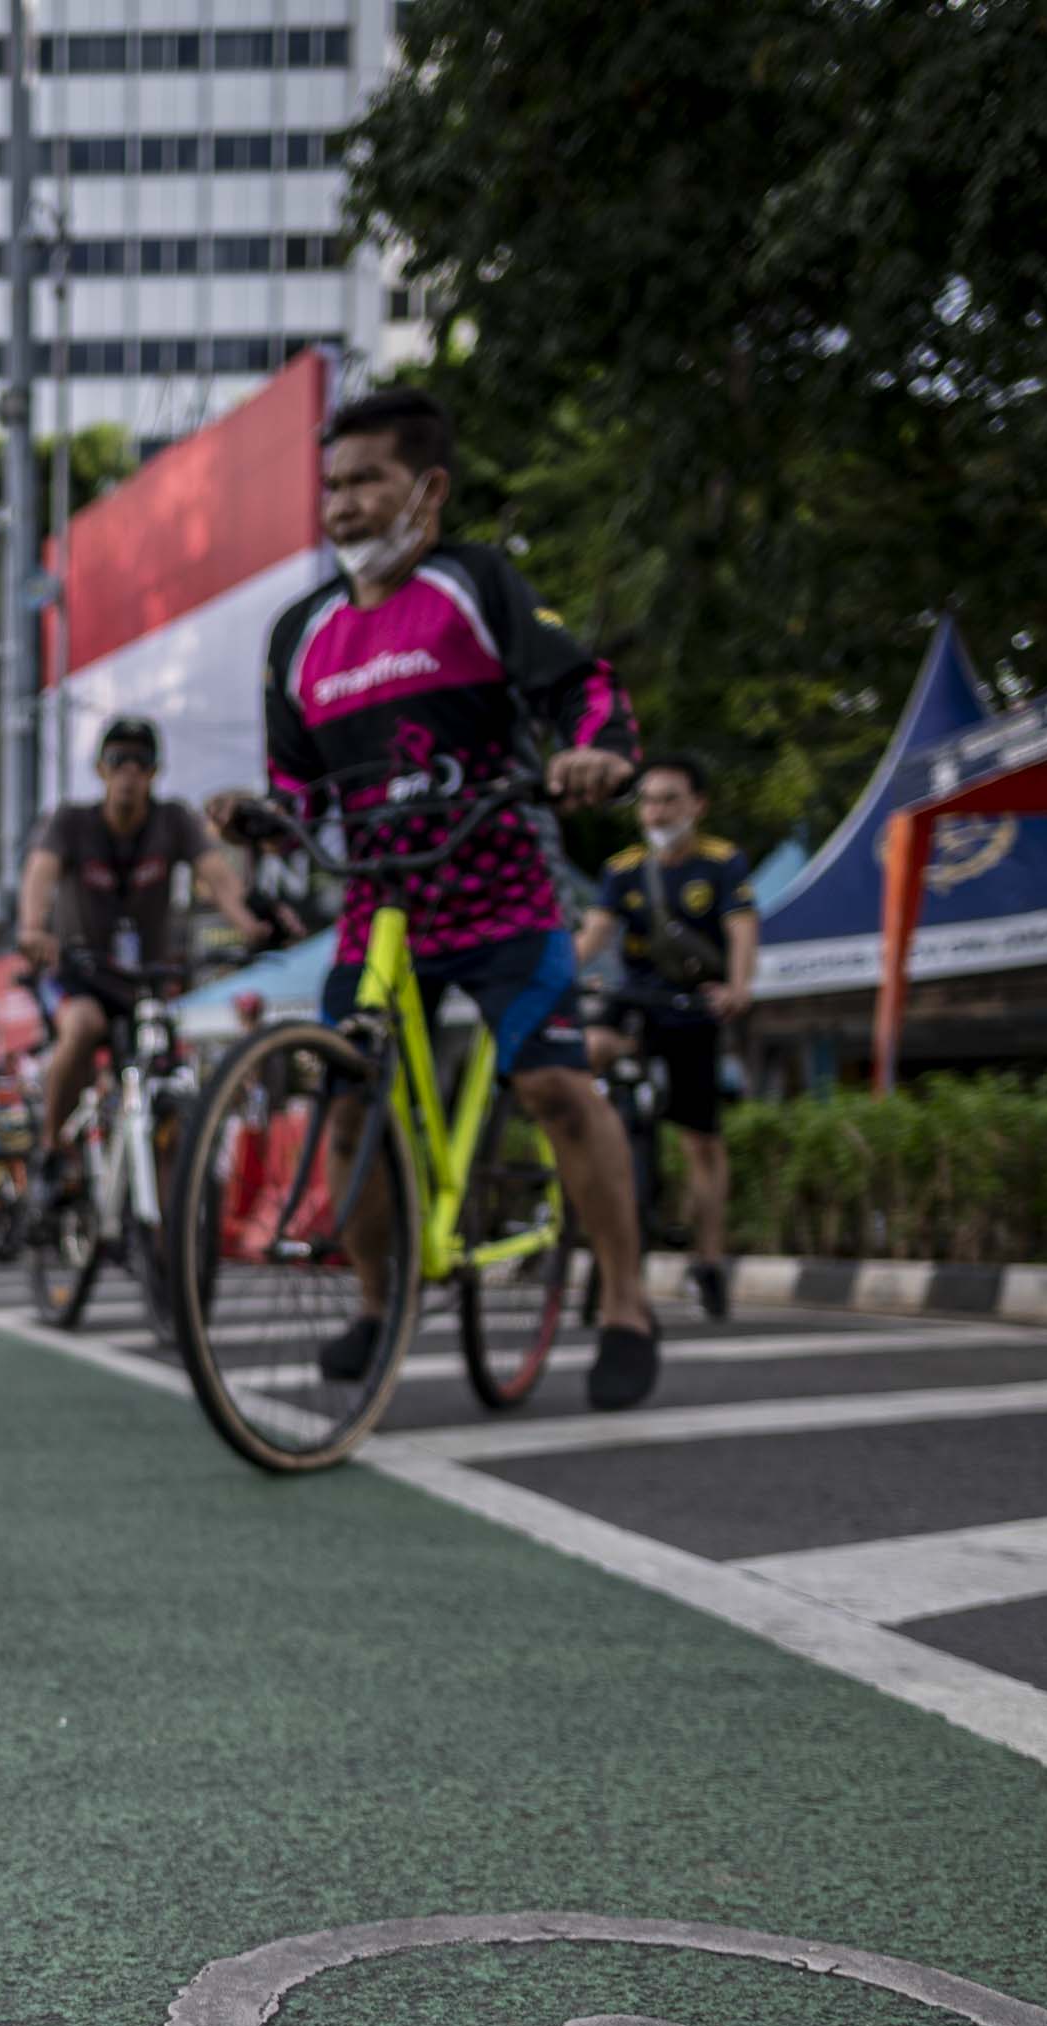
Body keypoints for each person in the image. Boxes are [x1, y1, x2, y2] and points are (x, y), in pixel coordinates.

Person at [217, 385, 660, 1410]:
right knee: (344, 1099)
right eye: (331, 487)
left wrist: (598, 753)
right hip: (379, 905)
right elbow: (296, 784)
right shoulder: (299, 633)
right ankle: (377, 1307)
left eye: (366, 481)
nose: (342, 508)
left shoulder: (476, 585)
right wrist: (259, 815)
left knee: (552, 1088)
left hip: (501, 886)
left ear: (428, 489)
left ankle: (628, 1305)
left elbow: (581, 686)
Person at [16, 714, 263, 1217]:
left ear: (155, 771)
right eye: (117, 761)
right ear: (101, 770)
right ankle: (48, 1151)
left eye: (141, 762)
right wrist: (32, 927)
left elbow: (216, 873)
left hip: (143, 985)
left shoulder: (173, 820)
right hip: (78, 973)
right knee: (84, 1026)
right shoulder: (71, 822)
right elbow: (39, 873)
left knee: (167, 1074)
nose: (129, 772)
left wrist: (248, 924)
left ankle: (167, 1226)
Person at [580, 752, 759, 1321]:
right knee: (586, 1051)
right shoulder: (623, 869)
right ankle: (605, 1133)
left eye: (669, 799)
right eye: (648, 800)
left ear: (697, 805)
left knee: (701, 1141)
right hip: (635, 1002)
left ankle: (708, 1260)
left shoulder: (722, 863)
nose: (656, 811)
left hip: (691, 1004)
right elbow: (592, 937)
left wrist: (738, 985)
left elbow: (742, 928)